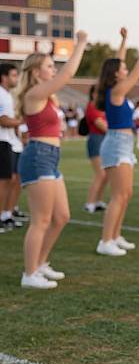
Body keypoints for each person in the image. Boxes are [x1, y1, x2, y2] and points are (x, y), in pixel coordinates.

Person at [15, 31, 88, 288]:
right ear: (36, 72)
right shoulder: (33, 94)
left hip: (50, 157)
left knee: (61, 216)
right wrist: (80, 44)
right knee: (41, 220)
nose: (53, 69)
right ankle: (29, 273)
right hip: (38, 156)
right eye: (48, 66)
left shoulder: (47, 96)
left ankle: (40, 264)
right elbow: (66, 75)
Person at [96, 28, 139, 256]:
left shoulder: (116, 90)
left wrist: (123, 40)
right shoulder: (116, 90)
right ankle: (105, 240)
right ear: (116, 74)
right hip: (117, 143)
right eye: (123, 69)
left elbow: (119, 62)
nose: (126, 70)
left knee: (125, 194)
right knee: (118, 195)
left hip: (124, 144)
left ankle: (115, 236)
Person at [0, 63, 23, 232]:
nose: (16, 78)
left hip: (9, 141)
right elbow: (3, 120)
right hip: (2, 141)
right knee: (3, 182)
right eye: (14, 75)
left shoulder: (7, 94)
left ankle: (6, 214)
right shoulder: (1, 94)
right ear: (4, 77)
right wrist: (23, 121)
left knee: (11, 180)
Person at [83, 84, 108, 213]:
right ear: (92, 94)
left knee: (105, 174)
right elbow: (101, 125)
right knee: (100, 174)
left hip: (104, 140)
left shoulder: (101, 107)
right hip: (96, 140)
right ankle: (90, 203)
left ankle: (98, 200)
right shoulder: (92, 106)